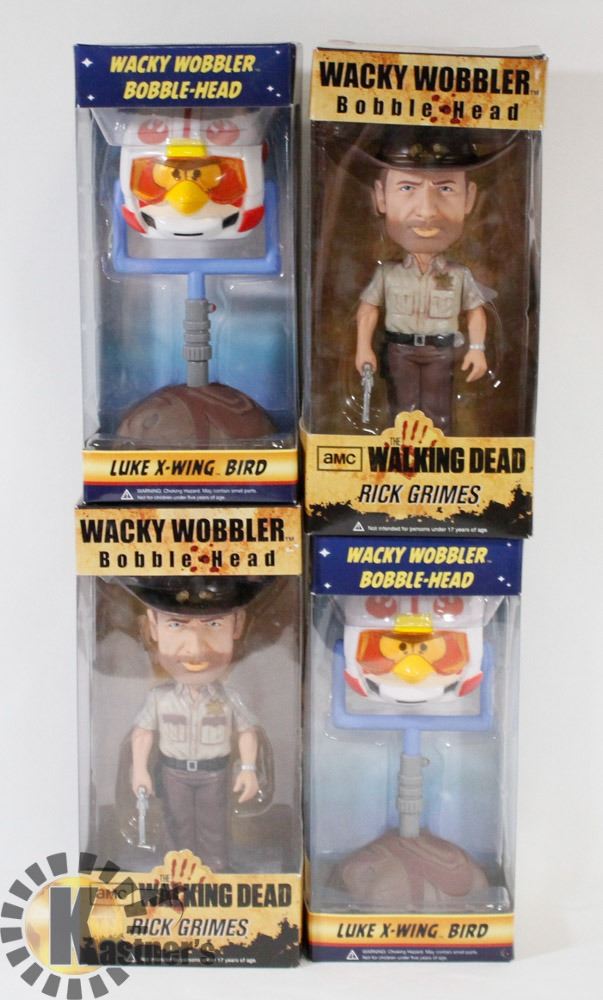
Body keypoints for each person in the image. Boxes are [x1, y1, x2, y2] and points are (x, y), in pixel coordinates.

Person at [355, 128, 493, 433]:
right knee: (401, 411)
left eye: (446, 188)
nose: (427, 211)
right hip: (399, 350)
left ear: (469, 198)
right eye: (407, 187)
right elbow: (368, 309)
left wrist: (477, 348)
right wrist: (363, 348)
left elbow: (475, 311)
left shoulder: (458, 275)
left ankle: (438, 455)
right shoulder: (388, 273)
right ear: (381, 197)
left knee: (438, 412)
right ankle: (401, 454)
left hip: (441, 352)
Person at [124, 576, 266, 872]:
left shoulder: (229, 698)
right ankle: (178, 871)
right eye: (176, 624)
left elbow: (247, 731)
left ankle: (215, 869)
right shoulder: (160, 698)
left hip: (214, 772)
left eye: (213, 624)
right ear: (153, 626)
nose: (195, 649)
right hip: (173, 772)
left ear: (238, 624)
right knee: (177, 823)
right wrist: (139, 770)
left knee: (214, 824)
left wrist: (249, 769)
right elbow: (143, 733)